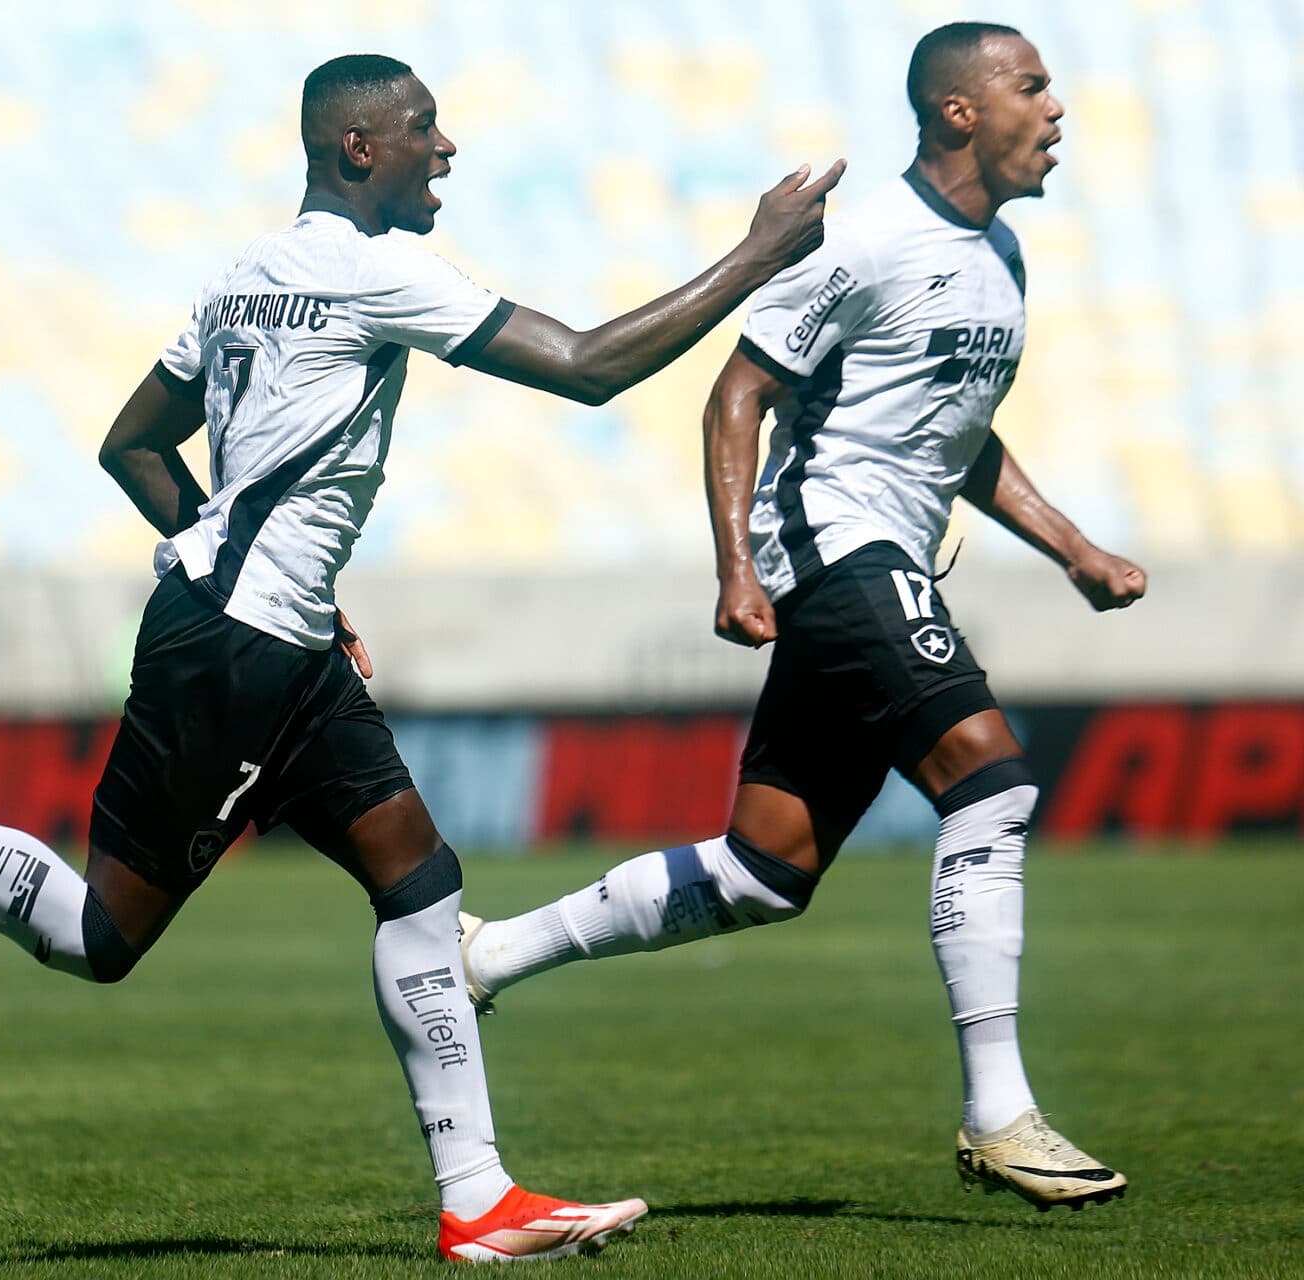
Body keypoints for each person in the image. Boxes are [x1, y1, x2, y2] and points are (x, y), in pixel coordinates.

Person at [0, 53, 840, 1261]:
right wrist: (757, 255)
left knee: (420, 884)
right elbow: (591, 368)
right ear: (356, 151)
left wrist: (239, 562)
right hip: (233, 653)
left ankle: (478, 1198)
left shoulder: (242, 279)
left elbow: (133, 445)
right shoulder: (377, 272)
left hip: (282, 639)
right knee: (96, 935)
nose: (446, 149)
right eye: (423, 129)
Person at [458, 23, 1143, 1214]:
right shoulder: (869, 241)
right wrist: (737, 564)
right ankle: (1000, 1114)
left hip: (883, 551)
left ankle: (489, 953)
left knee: (764, 868)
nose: (1058, 108)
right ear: (958, 113)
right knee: (994, 780)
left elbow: (955, 433)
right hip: (837, 545)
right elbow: (740, 391)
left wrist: (1072, 545)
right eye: (1032, 85)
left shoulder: (1003, 256)